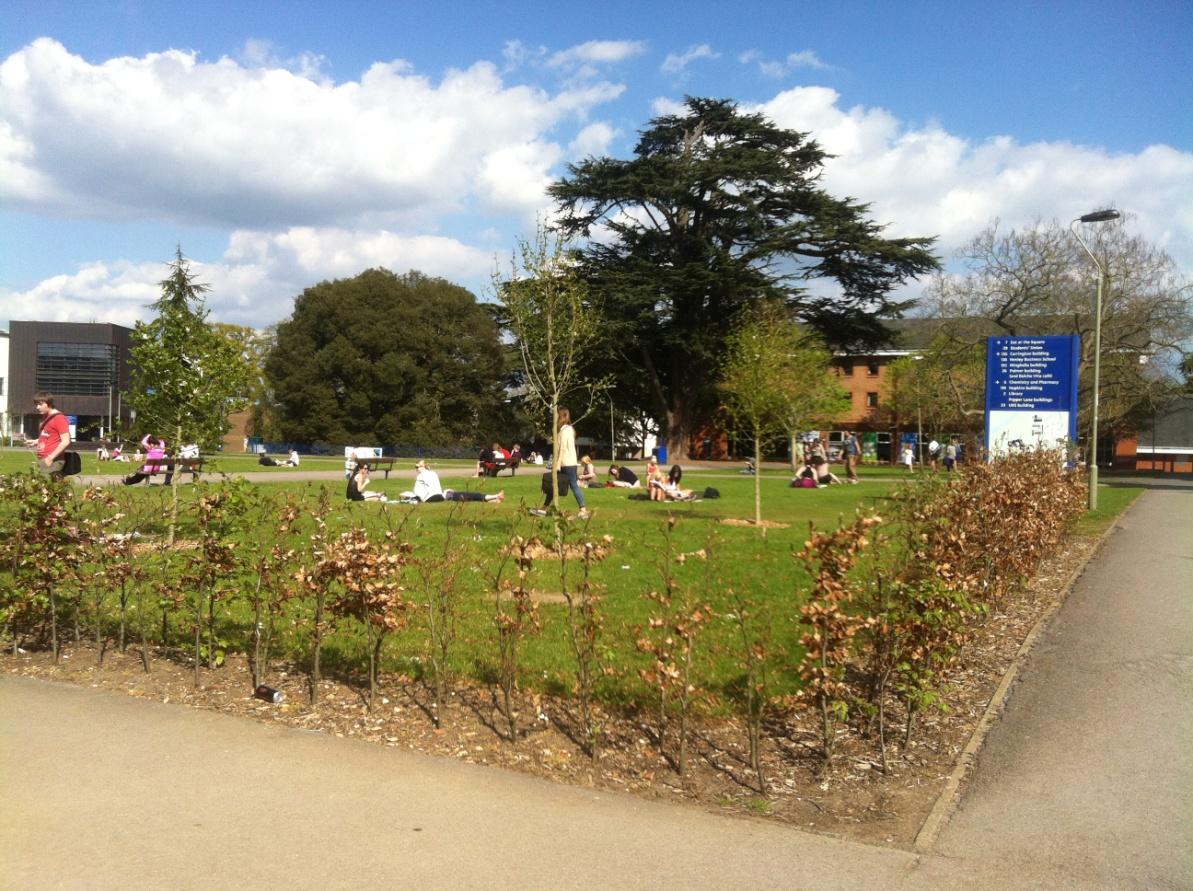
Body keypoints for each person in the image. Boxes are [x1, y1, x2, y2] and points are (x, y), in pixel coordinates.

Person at [552, 406, 589, 519]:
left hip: (566, 463)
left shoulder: (565, 430)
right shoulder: (565, 429)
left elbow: (563, 448)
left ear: (562, 415)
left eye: (557, 414)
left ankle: (583, 510)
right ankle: (545, 508)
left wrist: (558, 463)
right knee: (554, 484)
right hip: (567, 462)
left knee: (572, 485)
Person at [29, 392, 72, 480]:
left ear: (49, 403)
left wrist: (50, 458)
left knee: (46, 485)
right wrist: (36, 441)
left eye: (40, 404)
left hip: (53, 460)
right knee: (41, 485)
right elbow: (48, 435)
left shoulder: (59, 418)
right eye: (36, 405)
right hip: (43, 459)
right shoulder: (46, 416)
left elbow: (66, 441)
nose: (37, 407)